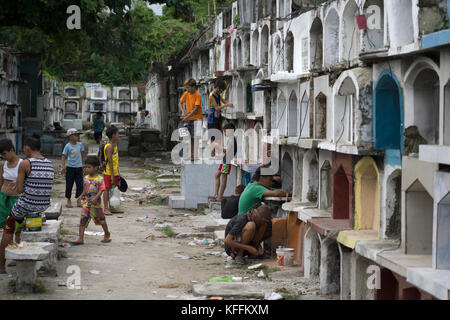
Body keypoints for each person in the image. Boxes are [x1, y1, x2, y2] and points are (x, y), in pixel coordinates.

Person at [0, 133, 54, 273]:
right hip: (43, 205)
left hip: (28, 204)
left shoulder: (25, 163)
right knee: (20, 225)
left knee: (8, 227)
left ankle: (1, 265)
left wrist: (18, 184)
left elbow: (19, 191)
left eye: (24, 148)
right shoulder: (49, 163)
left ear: (28, 148)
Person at [71, 156, 111, 245]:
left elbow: (102, 190)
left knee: (101, 220)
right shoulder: (86, 178)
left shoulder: (99, 179)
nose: (86, 169)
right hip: (86, 203)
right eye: (86, 167)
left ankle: (107, 233)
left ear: (96, 168)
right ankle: (80, 238)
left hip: (96, 205)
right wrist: (81, 196)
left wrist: (95, 198)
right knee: (83, 219)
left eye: (89, 167)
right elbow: (85, 188)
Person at [0, 139, 23, 234]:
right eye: (1, 155)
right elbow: (0, 181)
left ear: (11, 150)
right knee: (2, 223)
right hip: (3, 197)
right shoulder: (3, 164)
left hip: (16, 198)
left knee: (15, 224)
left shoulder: (22, 164)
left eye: (4, 154)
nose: (3, 156)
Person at [178, 78, 203, 161]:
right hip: (189, 118)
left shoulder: (197, 95)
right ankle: (190, 154)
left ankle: (195, 155)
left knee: (196, 137)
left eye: (188, 87)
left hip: (197, 118)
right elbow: (180, 103)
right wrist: (183, 111)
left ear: (193, 87)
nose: (187, 89)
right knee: (190, 138)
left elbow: (196, 109)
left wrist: (186, 117)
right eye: (186, 87)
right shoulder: (186, 94)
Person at [214, 123, 237, 201]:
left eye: (225, 131)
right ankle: (216, 194)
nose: (224, 133)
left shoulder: (232, 140)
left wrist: (218, 147)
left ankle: (220, 196)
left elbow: (227, 151)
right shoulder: (231, 140)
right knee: (217, 175)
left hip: (227, 161)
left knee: (224, 179)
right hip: (224, 160)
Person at [62, 128, 85, 208]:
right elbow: (63, 156)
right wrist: (63, 166)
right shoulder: (67, 146)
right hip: (70, 168)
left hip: (79, 168)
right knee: (69, 184)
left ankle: (78, 200)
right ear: (70, 136)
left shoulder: (80, 145)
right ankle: (68, 200)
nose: (78, 136)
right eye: (76, 135)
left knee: (80, 185)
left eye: (78, 135)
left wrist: (83, 164)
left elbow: (82, 154)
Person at [103, 126, 122, 215]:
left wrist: (117, 172)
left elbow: (115, 161)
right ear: (113, 135)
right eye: (117, 133)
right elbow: (110, 162)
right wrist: (111, 175)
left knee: (113, 189)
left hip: (114, 172)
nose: (118, 135)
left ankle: (112, 207)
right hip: (108, 173)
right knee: (107, 189)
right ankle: (106, 208)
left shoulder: (115, 146)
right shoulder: (109, 147)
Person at [208, 80, 234, 145]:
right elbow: (216, 107)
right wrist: (226, 105)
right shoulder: (211, 96)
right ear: (217, 88)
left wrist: (230, 104)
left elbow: (224, 101)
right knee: (213, 137)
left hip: (218, 118)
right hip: (212, 119)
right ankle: (213, 153)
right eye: (221, 90)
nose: (221, 92)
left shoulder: (218, 95)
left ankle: (217, 152)